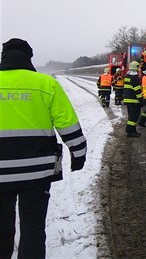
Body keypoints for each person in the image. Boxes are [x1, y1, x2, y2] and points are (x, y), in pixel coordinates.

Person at [0, 38, 87, 259]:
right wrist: (78, 154)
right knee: (33, 228)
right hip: (37, 172)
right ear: (28, 57)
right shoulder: (45, 84)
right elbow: (67, 123)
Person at [123, 61, 143, 137]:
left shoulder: (127, 77)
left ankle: (133, 130)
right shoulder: (135, 79)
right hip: (134, 100)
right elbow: (138, 91)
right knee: (134, 116)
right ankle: (130, 131)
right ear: (137, 68)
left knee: (131, 116)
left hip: (128, 100)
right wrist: (141, 101)